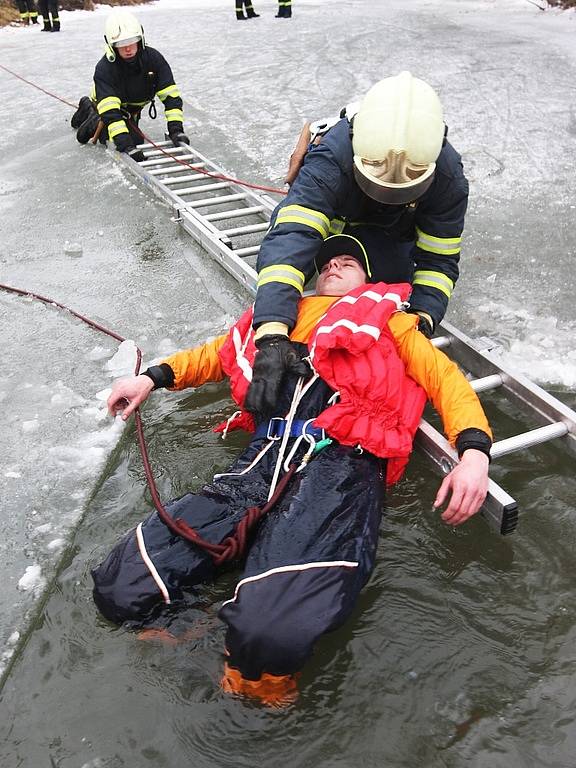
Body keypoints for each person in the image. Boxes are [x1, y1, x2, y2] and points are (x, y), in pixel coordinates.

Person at [92, 233, 491, 705]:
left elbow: (446, 381)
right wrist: (149, 377)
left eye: (349, 262)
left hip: (342, 467)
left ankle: (255, 672)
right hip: (261, 459)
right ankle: (201, 623)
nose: (334, 267)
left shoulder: (392, 322)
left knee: (269, 640)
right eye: (328, 263)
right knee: (120, 588)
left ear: (370, 277)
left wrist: (474, 453)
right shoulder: (278, 321)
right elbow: (213, 355)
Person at [244, 71, 469, 423]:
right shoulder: (331, 157)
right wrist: (272, 331)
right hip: (336, 229)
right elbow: (293, 235)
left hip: (394, 233)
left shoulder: (447, 177)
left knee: (391, 286)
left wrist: (422, 318)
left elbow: (438, 259)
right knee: (304, 280)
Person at [71, 9, 189, 162]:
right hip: (107, 106)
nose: (128, 48)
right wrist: (124, 144)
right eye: (121, 44)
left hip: (132, 107)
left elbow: (171, 97)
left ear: (140, 38)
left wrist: (176, 130)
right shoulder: (105, 68)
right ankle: (88, 108)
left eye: (131, 41)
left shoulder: (154, 59)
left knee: (135, 139)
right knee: (84, 137)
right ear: (111, 44)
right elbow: (111, 113)